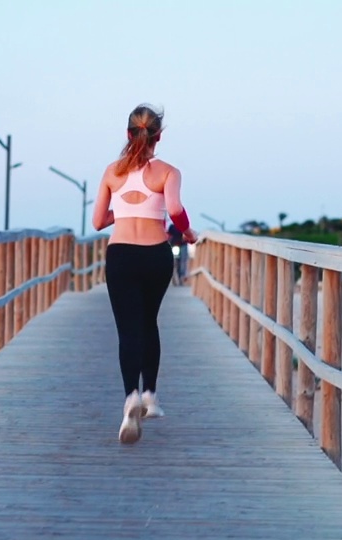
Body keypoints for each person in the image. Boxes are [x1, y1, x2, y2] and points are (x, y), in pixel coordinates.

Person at [90, 103, 195, 444]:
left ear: (127, 133)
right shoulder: (168, 171)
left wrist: (121, 213)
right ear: (158, 136)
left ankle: (130, 397)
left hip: (121, 254)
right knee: (149, 321)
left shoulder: (112, 171)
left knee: (128, 329)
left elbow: (97, 222)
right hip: (156, 255)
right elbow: (175, 209)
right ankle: (150, 395)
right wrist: (188, 233)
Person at [167, 223, 189, 287]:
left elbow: (187, 234)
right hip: (175, 245)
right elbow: (169, 235)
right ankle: (175, 278)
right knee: (175, 262)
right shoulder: (172, 227)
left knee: (183, 261)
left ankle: (182, 277)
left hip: (183, 245)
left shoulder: (184, 225)